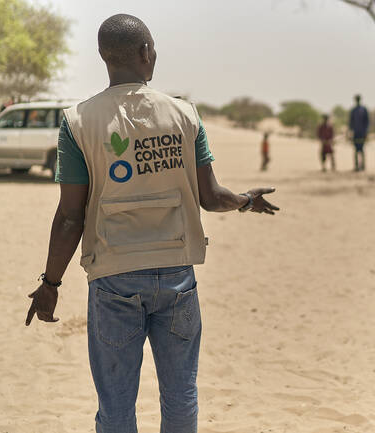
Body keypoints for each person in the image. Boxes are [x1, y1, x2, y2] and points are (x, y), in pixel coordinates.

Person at [24, 14, 279, 433]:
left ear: (105, 58)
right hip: (177, 277)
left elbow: (70, 215)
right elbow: (211, 197)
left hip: (112, 280)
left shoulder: (77, 122)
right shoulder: (184, 115)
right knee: (180, 397)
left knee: (116, 405)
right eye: (153, 48)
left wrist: (51, 283)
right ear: (146, 53)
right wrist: (247, 201)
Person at [348, 94, 369, 171]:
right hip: (355, 133)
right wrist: (350, 133)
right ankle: (356, 166)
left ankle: (363, 166)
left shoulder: (364, 109)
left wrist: (366, 132)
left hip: (362, 133)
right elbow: (351, 122)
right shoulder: (353, 110)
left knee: (362, 149)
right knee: (356, 150)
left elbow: (367, 122)